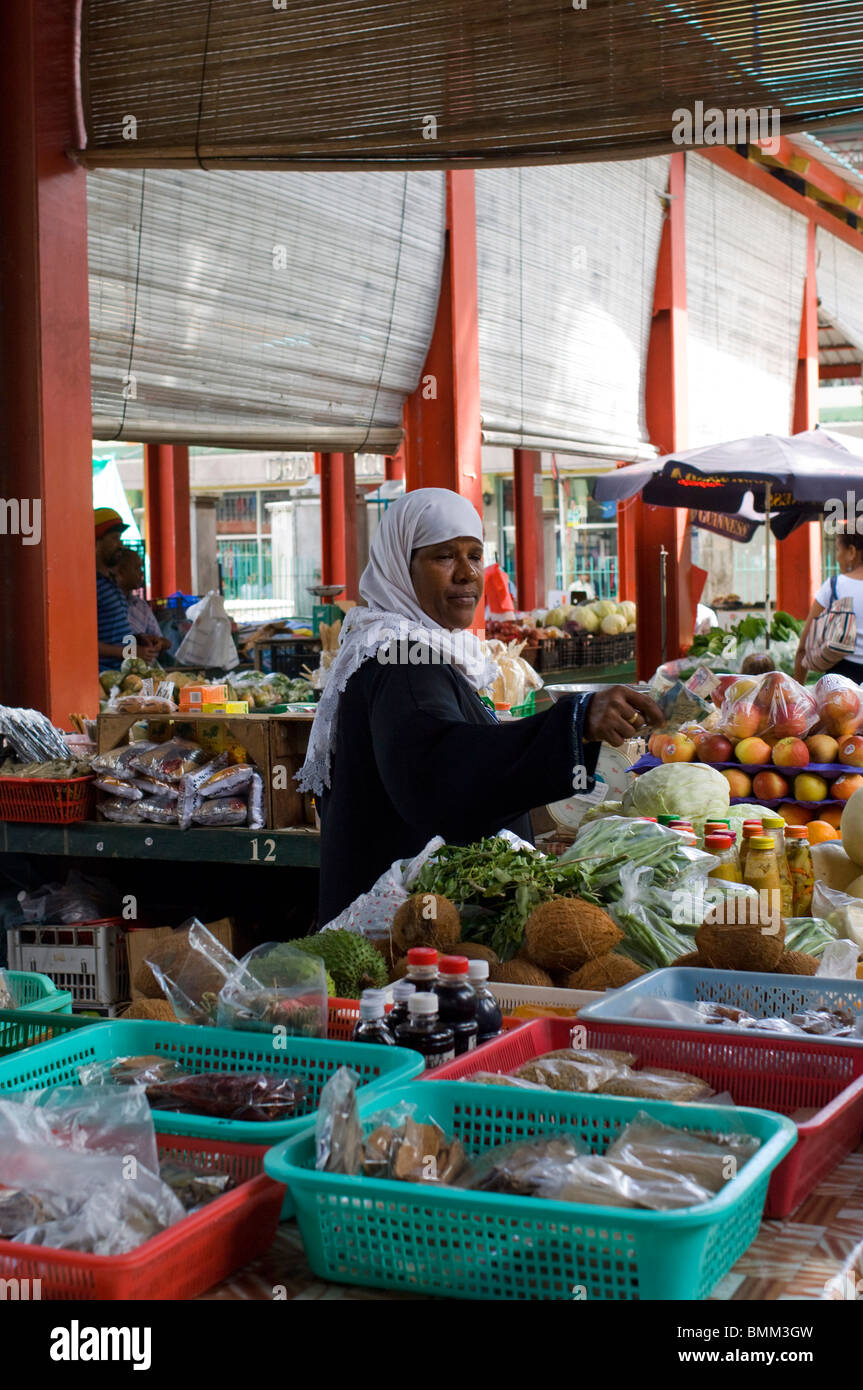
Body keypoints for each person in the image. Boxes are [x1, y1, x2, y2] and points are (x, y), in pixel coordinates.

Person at [298, 487, 664, 926]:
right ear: (401, 566)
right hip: (404, 939)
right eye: (444, 557)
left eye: (475, 555)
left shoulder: (415, 649)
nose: (466, 573)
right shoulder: (402, 661)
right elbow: (440, 769)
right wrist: (576, 720)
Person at [796, 526, 863, 684]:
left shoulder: (834, 586)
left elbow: (803, 648)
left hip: (840, 688)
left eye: (838, 550)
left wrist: (797, 691)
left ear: (852, 552)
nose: (837, 557)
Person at [113, 548, 171, 657]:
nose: (141, 573)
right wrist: (133, 652)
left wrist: (159, 643)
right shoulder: (108, 604)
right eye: (136, 568)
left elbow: (166, 642)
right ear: (120, 572)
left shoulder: (141, 605)